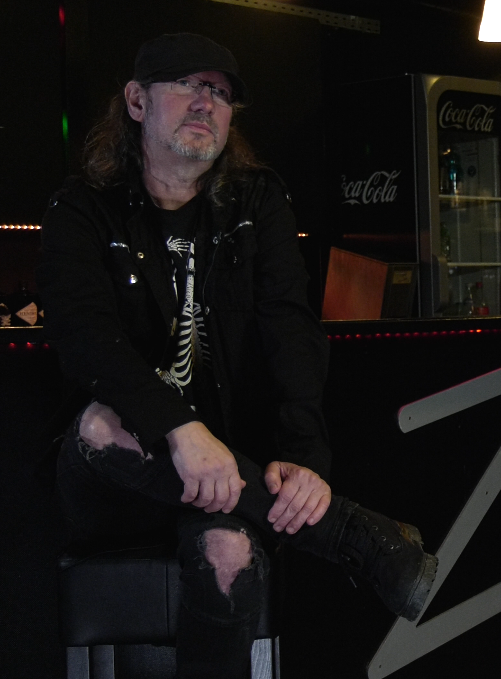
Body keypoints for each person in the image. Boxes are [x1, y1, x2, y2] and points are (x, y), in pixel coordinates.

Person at [37, 33, 437, 679]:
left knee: (228, 552)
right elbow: (86, 339)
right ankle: (351, 534)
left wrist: (305, 459)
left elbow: (291, 329)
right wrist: (179, 428)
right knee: (100, 424)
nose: (206, 103)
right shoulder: (81, 208)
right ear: (136, 101)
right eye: (186, 85)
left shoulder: (257, 201)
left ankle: (329, 526)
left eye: (221, 94)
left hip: (228, 477)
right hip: (116, 483)